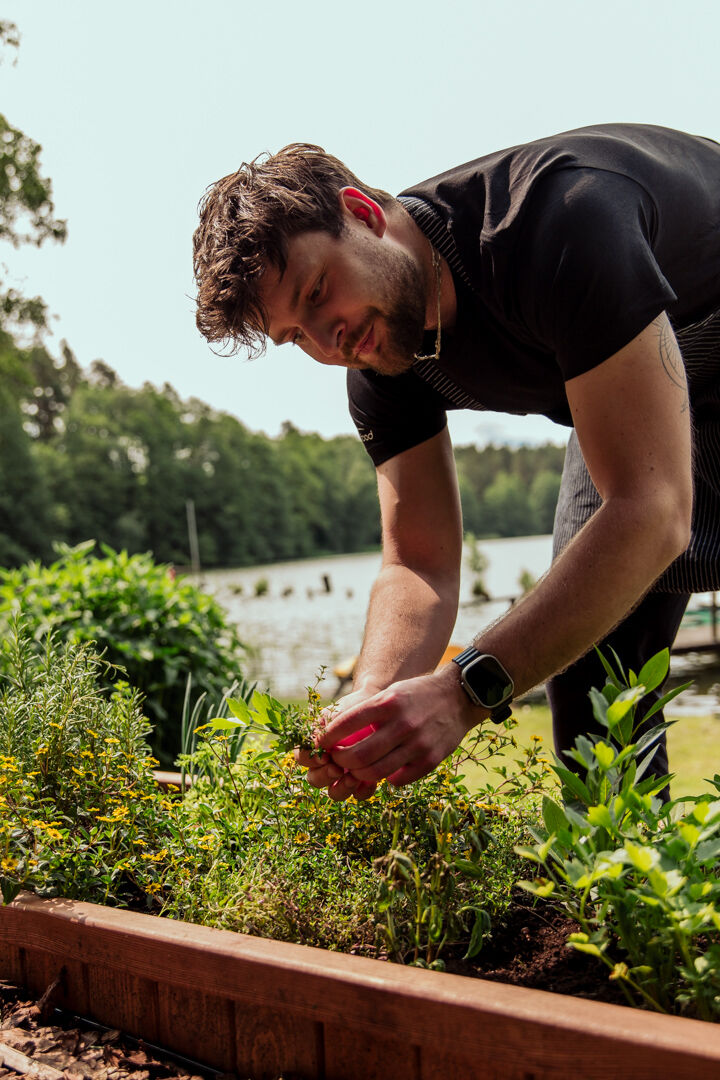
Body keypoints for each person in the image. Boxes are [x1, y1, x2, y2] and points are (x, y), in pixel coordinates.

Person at [193, 124, 720, 801]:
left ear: (363, 214)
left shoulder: (560, 222)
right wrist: (370, 706)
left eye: (318, 291)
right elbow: (418, 563)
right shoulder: (380, 358)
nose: (330, 342)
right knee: (586, 656)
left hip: (699, 334)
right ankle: (631, 868)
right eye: (296, 337)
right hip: (645, 390)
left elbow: (651, 509)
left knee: (625, 548)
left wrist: (465, 690)